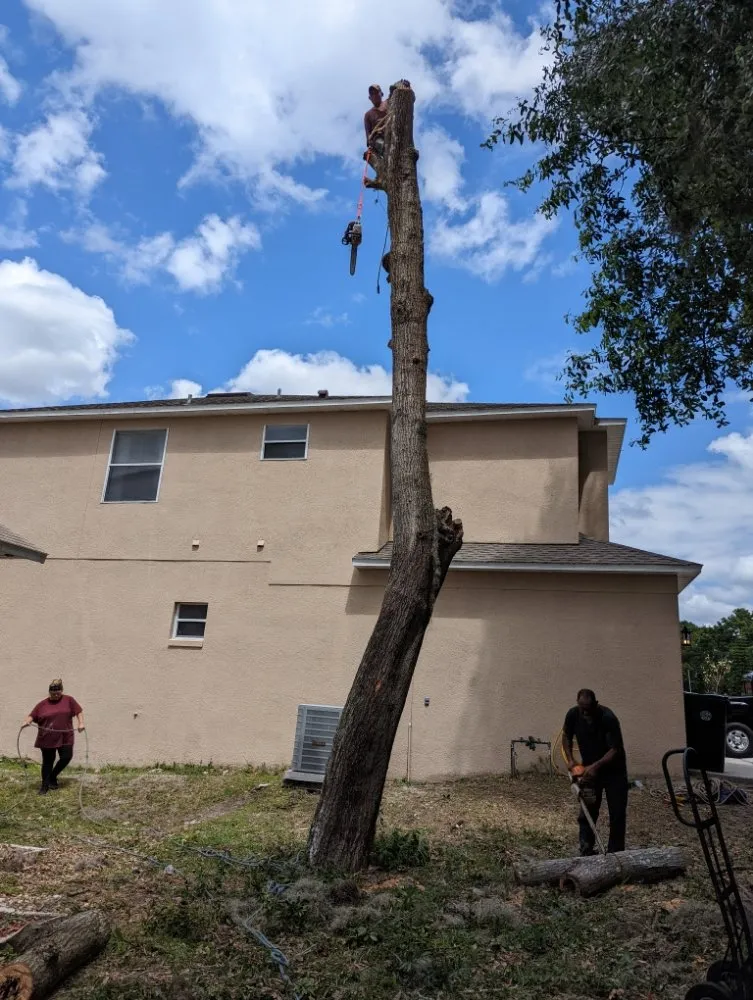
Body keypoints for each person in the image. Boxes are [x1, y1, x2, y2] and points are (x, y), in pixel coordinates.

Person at [562, 688, 628, 855]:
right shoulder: (572, 715)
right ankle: (586, 848)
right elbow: (566, 736)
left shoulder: (608, 718)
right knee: (588, 809)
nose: (584, 712)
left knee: (617, 812)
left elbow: (615, 749)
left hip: (615, 772)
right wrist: (570, 759)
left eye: (588, 709)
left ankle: (616, 853)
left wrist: (595, 766)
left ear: (595, 705)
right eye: (581, 708)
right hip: (590, 771)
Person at [22, 679, 85, 795]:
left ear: (62, 690)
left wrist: (81, 723)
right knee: (47, 762)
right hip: (47, 737)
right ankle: (44, 786)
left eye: (58, 692)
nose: (56, 695)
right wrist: (27, 722)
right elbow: (32, 715)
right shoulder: (42, 705)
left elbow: (78, 711)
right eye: (53, 693)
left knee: (66, 757)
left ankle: (53, 776)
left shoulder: (69, 700)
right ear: (49, 692)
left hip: (66, 735)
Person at [364, 84, 388, 154]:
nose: (374, 96)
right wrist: (370, 143)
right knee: (381, 144)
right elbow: (368, 136)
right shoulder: (368, 115)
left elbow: (396, 92)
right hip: (379, 139)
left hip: (393, 131)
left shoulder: (389, 102)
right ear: (369, 98)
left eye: (376, 93)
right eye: (372, 94)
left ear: (381, 94)